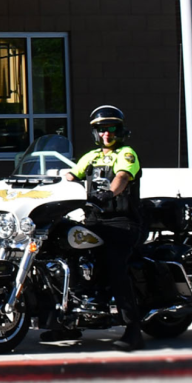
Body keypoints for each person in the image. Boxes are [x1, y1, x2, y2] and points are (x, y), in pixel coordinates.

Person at [58, 105, 146, 351]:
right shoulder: (90, 156)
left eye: (111, 129)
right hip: (93, 221)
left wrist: (109, 192)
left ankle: (133, 329)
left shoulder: (127, 153)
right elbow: (71, 176)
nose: (106, 134)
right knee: (68, 257)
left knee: (114, 266)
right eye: (101, 130)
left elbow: (122, 177)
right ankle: (66, 323)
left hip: (122, 222)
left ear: (120, 130)